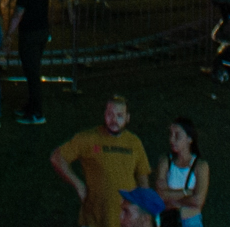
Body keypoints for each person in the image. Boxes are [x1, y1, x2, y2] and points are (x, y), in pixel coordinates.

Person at [49, 95, 152, 227]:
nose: (114, 120)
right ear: (104, 114)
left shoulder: (135, 142)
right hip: (94, 220)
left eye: (119, 115)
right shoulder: (88, 138)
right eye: (110, 114)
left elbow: (142, 176)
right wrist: (78, 185)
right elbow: (56, 157)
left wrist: (145, 211)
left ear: (127, 118)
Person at [13, 0, 53, 126]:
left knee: (32, 73)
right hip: (42, 30)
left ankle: (37, 112)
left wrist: (8, 34)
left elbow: (18, 13)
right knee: (33, 71)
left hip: (29, 32)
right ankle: (31, 106)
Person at [157, 116, 208, 227]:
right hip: (168, 221)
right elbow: (160, 196)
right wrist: (187, 193)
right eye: (171, 134)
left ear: (189, 139)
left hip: (191, 222)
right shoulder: (165, 161)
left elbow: (198, 200)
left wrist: (173, 201)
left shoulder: (200, 166)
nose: (172, 139)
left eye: (177, 136)